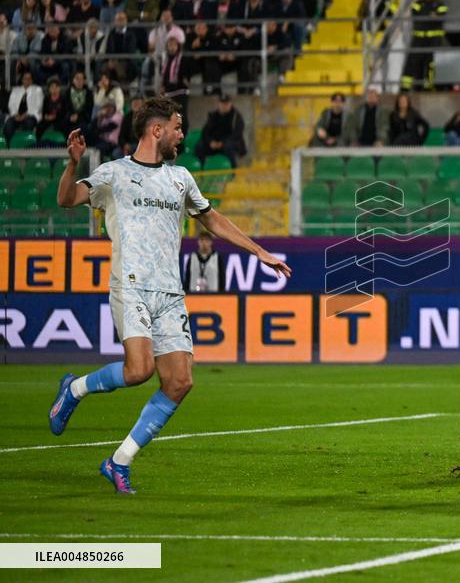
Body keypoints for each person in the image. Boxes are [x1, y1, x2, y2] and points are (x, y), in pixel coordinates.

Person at [49, 97, 291, 494]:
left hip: (170, 293)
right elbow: (66, 199)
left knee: (179, 381)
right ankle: (74, 389)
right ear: (156, 130)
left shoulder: (181, 178)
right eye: (177, 127)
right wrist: (73, 162)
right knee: (139, 371)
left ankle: (118, 461)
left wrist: (259, 251)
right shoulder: (114, 175)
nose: (182, 134)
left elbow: (211, 218)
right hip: (131, 285)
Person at [401, 0, 447, 91]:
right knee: (412, 62)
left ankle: (428, 86)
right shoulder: (418, 3)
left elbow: (440, 16)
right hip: (418, 39)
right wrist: (430, 15)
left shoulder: (440, 4)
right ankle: (405, 87)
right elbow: (417, 15)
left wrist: (429, 16)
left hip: (433, 40)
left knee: (431, 64)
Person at [196, 93, 246, 167]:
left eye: (226, 103)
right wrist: (211, 142)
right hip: (214, 144)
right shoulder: (214, 116)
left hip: (229, 144)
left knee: (229, 146)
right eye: (222, 103)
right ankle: (202, 172)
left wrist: (222, 143)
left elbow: (237, 134)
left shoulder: (236, 117)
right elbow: (205, 132)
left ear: (230, 104)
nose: (224, 106)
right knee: (199, 146)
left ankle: (234, 172)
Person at [4, 71, 44, 140]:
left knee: (29, 123)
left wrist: (26, 114)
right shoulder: (16, 90)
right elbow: (11, 104)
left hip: (30, 115)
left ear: (32, 80)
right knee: (9, 123)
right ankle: (9, 145)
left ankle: (25, 144)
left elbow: (38, 106)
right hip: (16, 115)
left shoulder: (37, 90)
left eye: (29, 79)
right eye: (25, 78)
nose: (27, 81)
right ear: (22, 80)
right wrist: (15, 114)